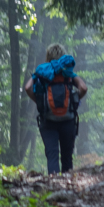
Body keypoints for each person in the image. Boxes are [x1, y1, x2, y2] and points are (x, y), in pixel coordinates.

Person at [24, 43, 88, 175]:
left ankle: (52, 187)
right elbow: (83, 88)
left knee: (52, 155)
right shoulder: (68, 73)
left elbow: (27, 88)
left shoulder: (42, 72)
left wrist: (39, 102)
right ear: (62, 56)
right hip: (68, 120)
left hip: (48, 120)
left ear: (48, 56)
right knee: (67, 157)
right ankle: (68, 188)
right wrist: (75, 102)